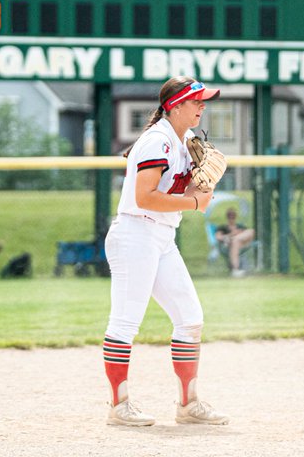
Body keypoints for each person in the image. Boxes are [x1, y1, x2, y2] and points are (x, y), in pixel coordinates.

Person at [101, 76, 230, 427]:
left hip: (161, 237)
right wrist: (193, 201)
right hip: (135, 234)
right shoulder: (156, 141)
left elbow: (173, 187)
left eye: (204, 100)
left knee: (190, 319)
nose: (203, 106)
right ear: (175, 105)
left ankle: (188, 405)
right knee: (125, 321)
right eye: (196, 101)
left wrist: (196, 183)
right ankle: (118, 406)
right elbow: (145, 197)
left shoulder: (183, 139)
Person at [215, 206, 255, 278]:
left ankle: (235, 239)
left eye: (233, 216)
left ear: (235, 217)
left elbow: (248, 235)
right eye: (230, 216)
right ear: (227, 217)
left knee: (251, 231)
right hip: (229, 245)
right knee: (235, 242)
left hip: (243, 244)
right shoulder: (223, 227)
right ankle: (235, 269)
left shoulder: (240, 226)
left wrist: (236, 235)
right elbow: (218, 237)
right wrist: (231, 234)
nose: (231, 218)